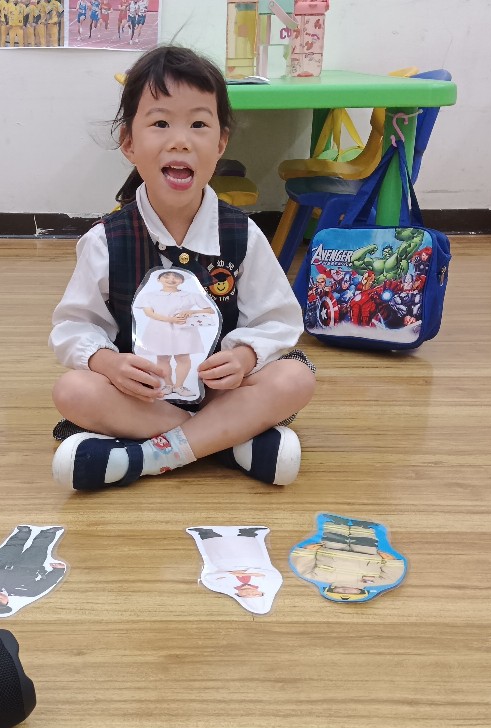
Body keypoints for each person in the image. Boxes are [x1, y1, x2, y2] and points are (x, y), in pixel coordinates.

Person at [49, 48, 315, 492]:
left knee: (295, 377)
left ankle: (144, 457)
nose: (180, 141)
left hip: (221, 393)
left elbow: (278, 319)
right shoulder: (106, 241)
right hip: (142, 399)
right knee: (73, 390)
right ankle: (229, 443)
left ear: (221, 143)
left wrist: (245, 357)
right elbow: (74, 327)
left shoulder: (241, 234)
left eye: (198, 124)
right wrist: (108, 363)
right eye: (160, 123)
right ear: (129, 143)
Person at [133, 268, 217, 399]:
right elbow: (149, 313)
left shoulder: (190, 295)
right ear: (159, 279)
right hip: (159, 330)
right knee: (162, 358)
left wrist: (191, 312)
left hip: (183, 330)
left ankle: (179, 386)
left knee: (183, 358)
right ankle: (168, 385)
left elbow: (210, 310)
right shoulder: (149, 295)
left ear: (182, 281)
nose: (171, 279)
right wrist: (170, 320)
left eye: (176, 277)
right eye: (166, 276)